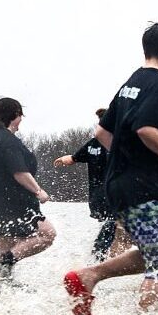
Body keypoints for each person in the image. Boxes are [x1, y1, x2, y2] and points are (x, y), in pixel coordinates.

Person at [63, 22, 158, 315]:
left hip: (121, 184)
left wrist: (131, 158)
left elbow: (102, 132)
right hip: (146, 187)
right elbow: (146, 128)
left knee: (155, 253)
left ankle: (89, 276)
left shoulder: (132, 82)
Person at [0, 97, 56, 277]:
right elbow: (20, 172)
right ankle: (8, 261)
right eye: (20, 117)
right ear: (15, 115)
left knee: (3, 249)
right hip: (11, 202)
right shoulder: (7, 140)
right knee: (47, 234)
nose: (20, 122)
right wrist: (39, 191)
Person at [53, 110, 121, 262]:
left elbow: (72, 159)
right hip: (113, 197)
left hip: (96, 199)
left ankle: (105, 257)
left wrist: (62, 159)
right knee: (116, 223)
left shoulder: (93, 144)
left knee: (116, 226)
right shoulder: (119, 144)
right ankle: (97, 258)